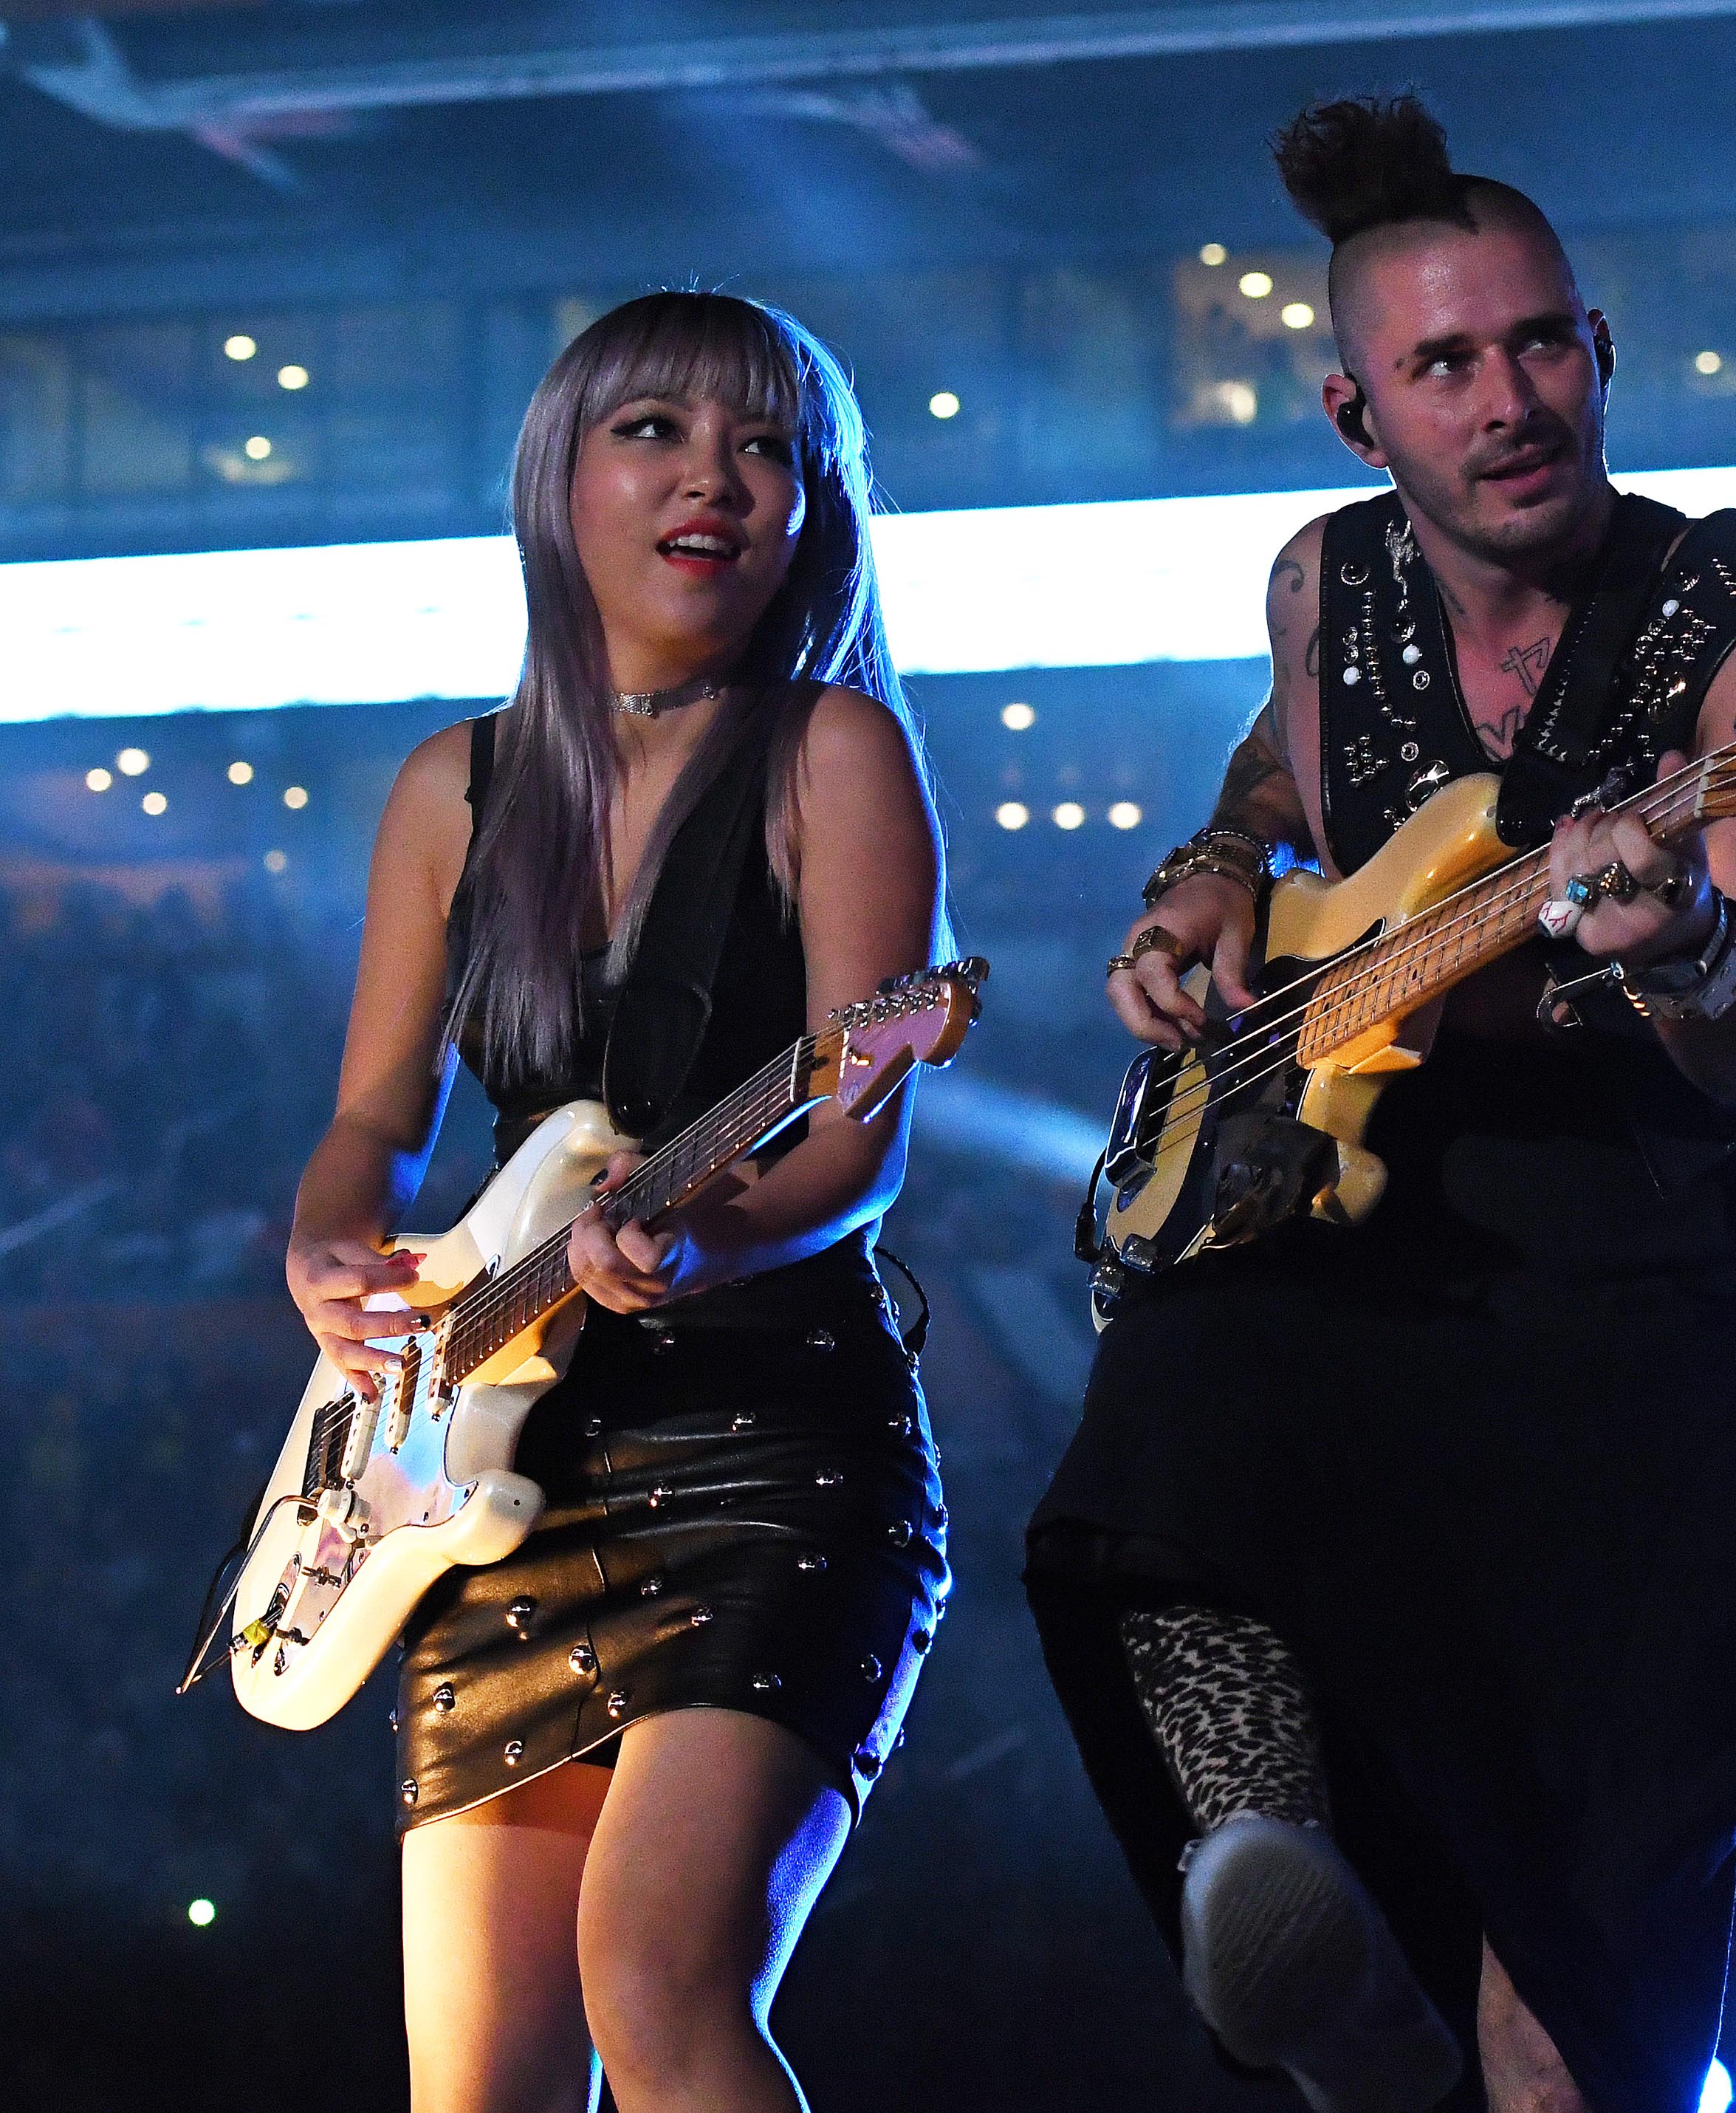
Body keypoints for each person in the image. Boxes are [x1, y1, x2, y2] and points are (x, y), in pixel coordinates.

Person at [1027, 96, 1736, 2113]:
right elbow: (1272, 766)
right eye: (1445, 365)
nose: (1511, 400)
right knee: (1154, 1463)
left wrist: (1671, 948)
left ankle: (1414, 2044)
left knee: (1575, 2010)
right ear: (1353, 410)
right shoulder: (1322, 584)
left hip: (1628, 1302)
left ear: (1602, 350)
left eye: (1543, 345)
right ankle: (1274, 1872)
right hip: (1349, 1260)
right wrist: (1213, 866)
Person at [283, 290, 950, 2113]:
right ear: (556, 480)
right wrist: (324, 1247)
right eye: (656, 430)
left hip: (768, 1451)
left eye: (768, 450)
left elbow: (857, 1138)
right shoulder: (452, 787)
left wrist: (715, 1234)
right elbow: (370, 1122)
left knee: (657, 1991)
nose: (715, 480)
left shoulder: (834, 755)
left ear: (816, 511)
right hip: (487, 1484)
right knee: (476, 2089)